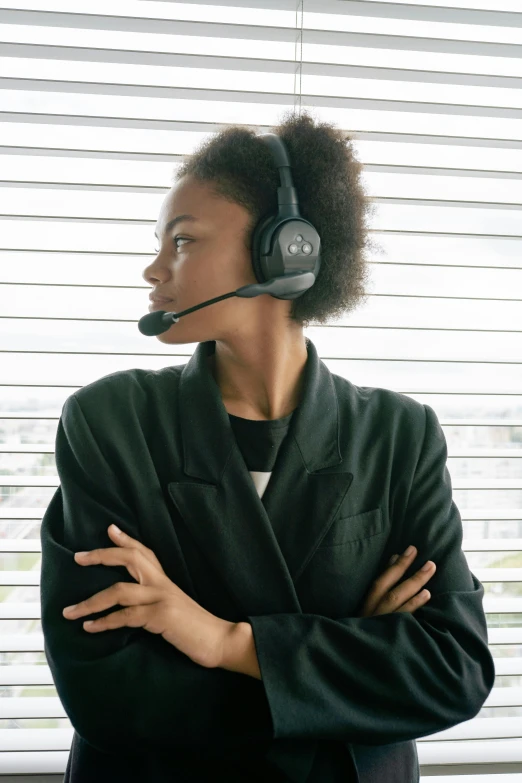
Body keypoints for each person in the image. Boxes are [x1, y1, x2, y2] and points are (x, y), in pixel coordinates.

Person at [40, 109, 495, 783]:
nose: (153, 269)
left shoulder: (402, 435)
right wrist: (348, 663)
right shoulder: (111, 421)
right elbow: (107, 692)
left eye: (184, 242)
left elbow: (452, 669)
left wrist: (221, 640)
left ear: (287, 251)